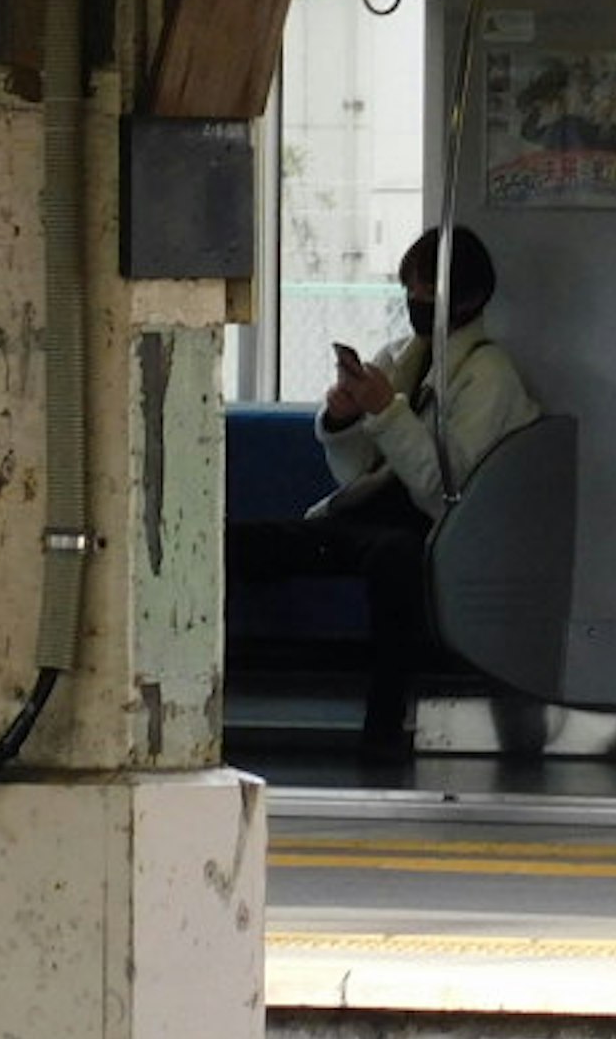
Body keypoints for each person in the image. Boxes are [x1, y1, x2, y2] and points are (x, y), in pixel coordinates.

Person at [229, 223, 535, 763]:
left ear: (470, 298)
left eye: (428, 291)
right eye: (410, 289)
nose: (416, 301)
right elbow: (356, 473)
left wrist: (386, 413)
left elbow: (445, 490)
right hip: (367, 519)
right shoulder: (403, 356)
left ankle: (383, 723)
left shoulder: (489, 377)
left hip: (431, 530)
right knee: (236, 542)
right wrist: (346, 419)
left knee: (394, 558)